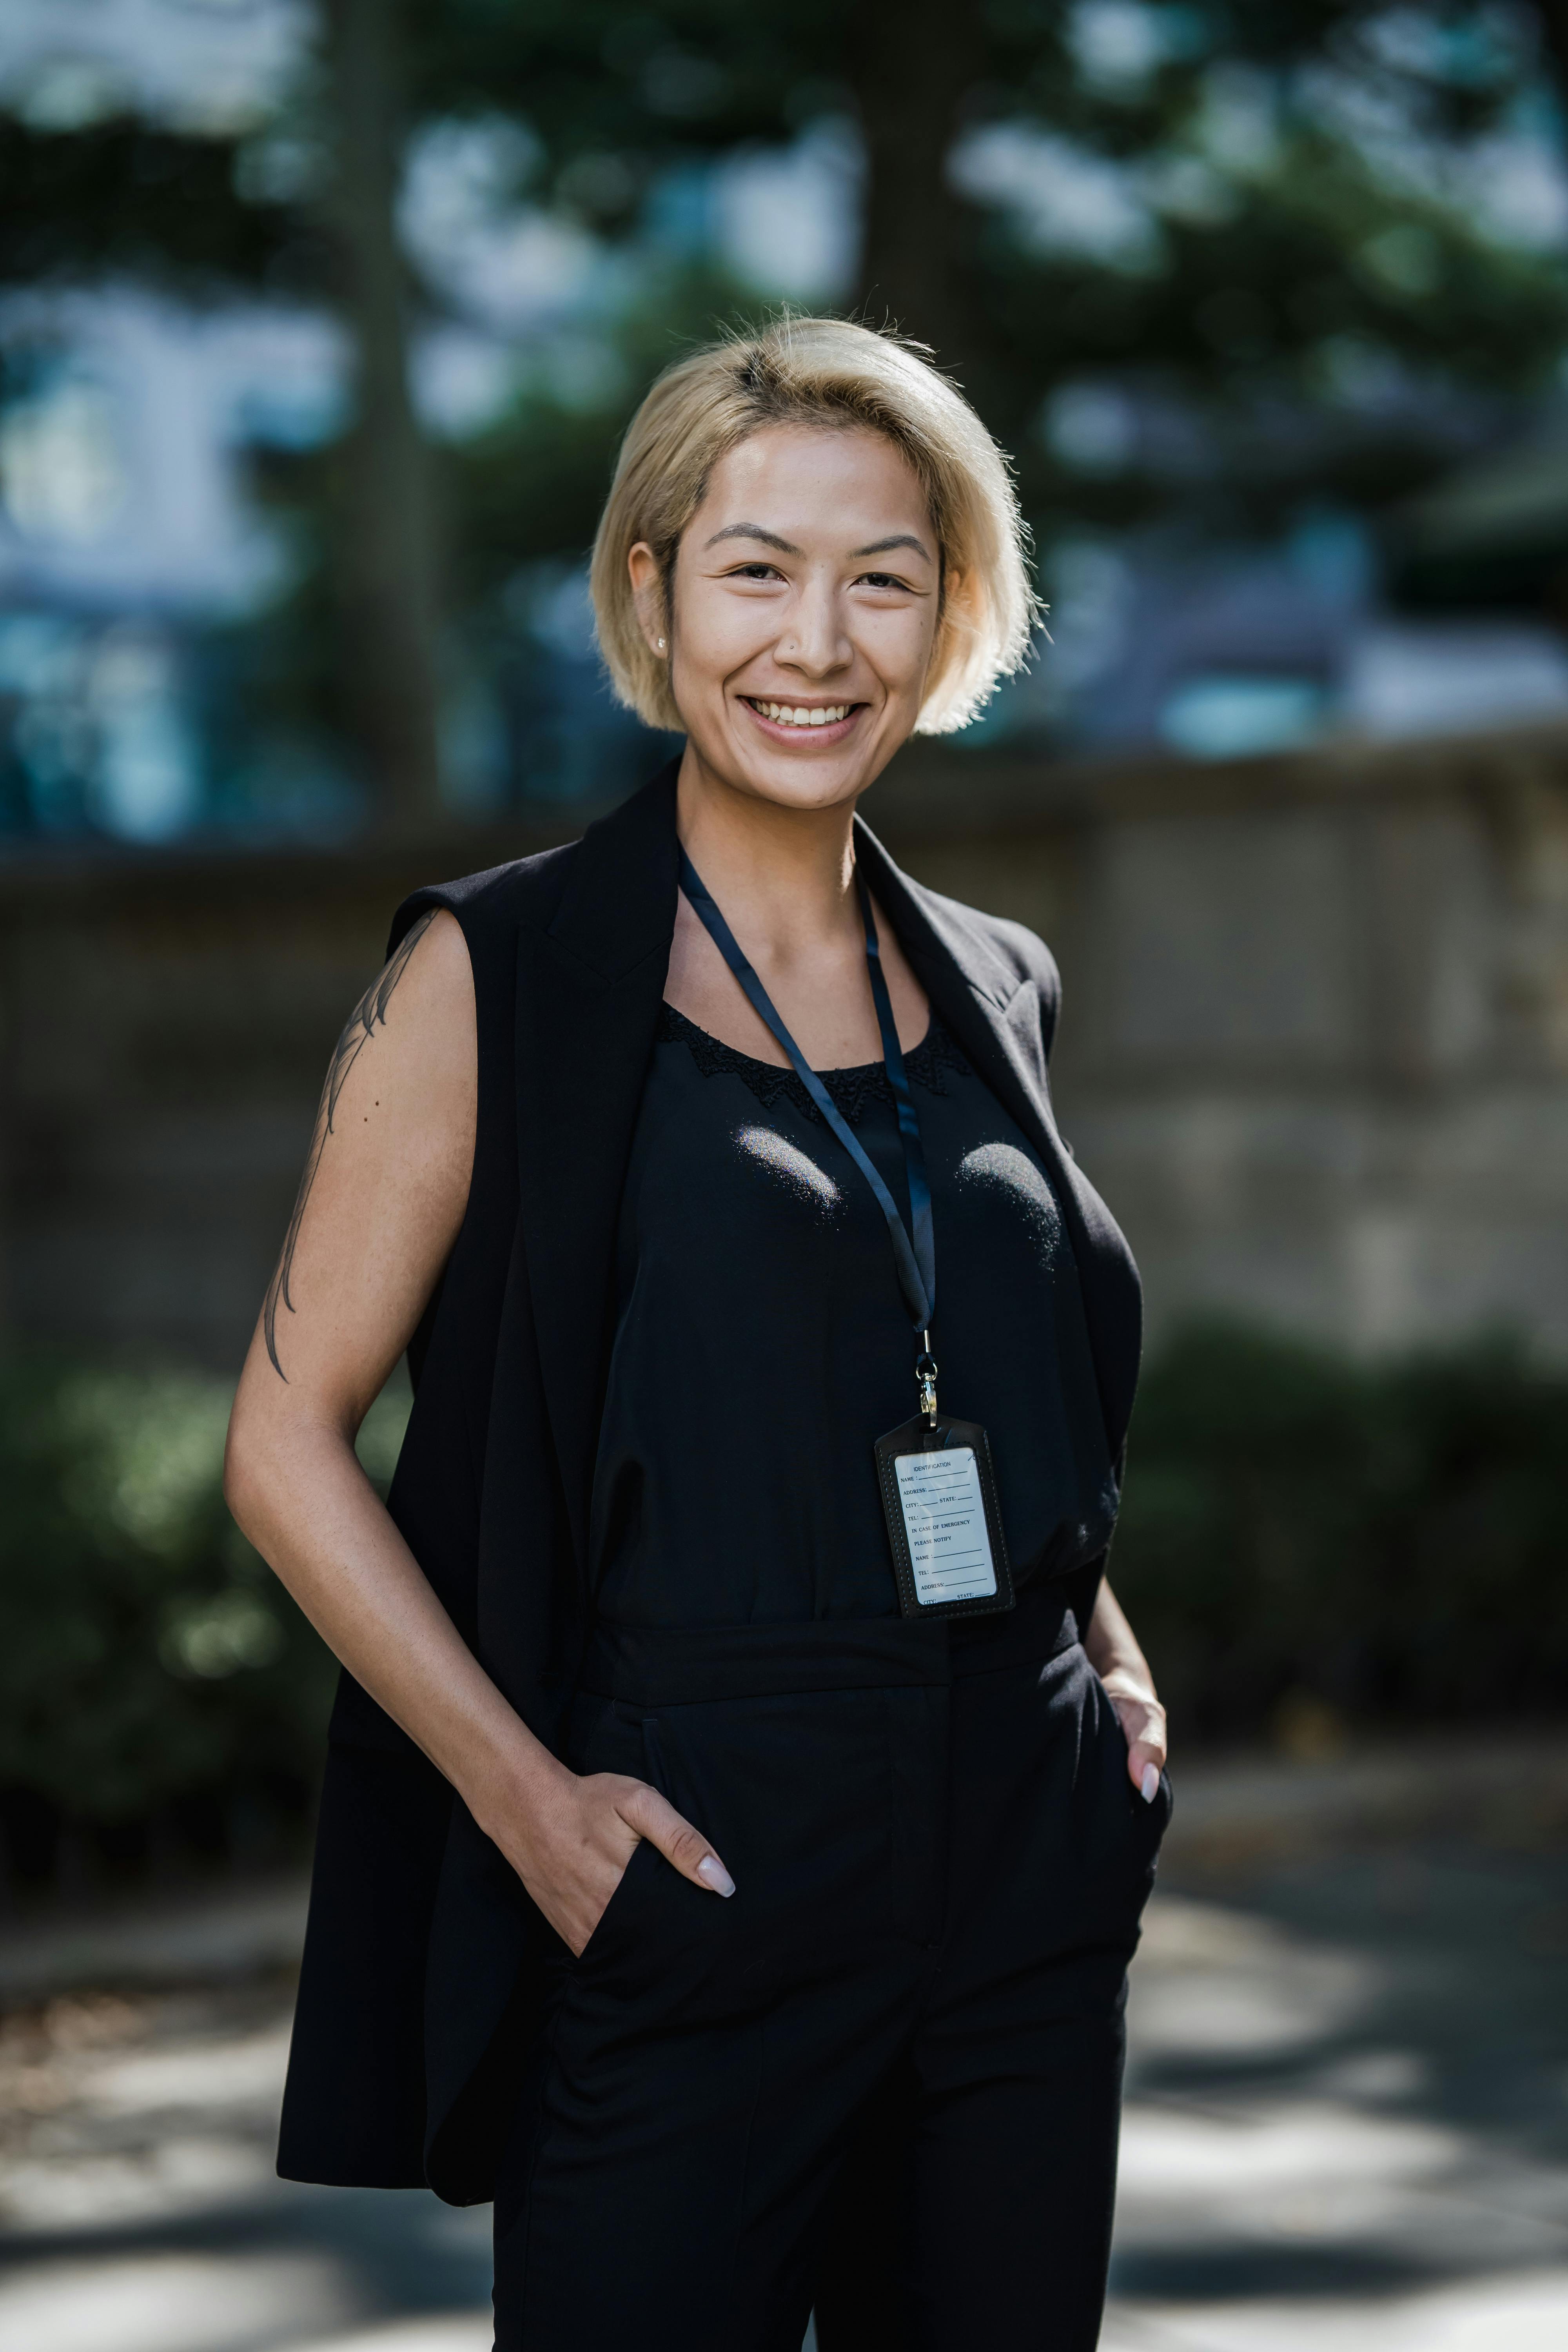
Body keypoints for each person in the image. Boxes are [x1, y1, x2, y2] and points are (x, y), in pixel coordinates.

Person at [224, 315, 1169, 2352]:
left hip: (1022, 1871)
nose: (815, 640)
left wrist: (1103, 1658)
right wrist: (529, 1806)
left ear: (951, 615)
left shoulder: (998, 979)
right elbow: (282, 1440)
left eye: (882, 575)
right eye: (756, 567)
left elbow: (1005, 1374)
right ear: (650, 595)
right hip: (695, 1864)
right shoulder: (498, 976)